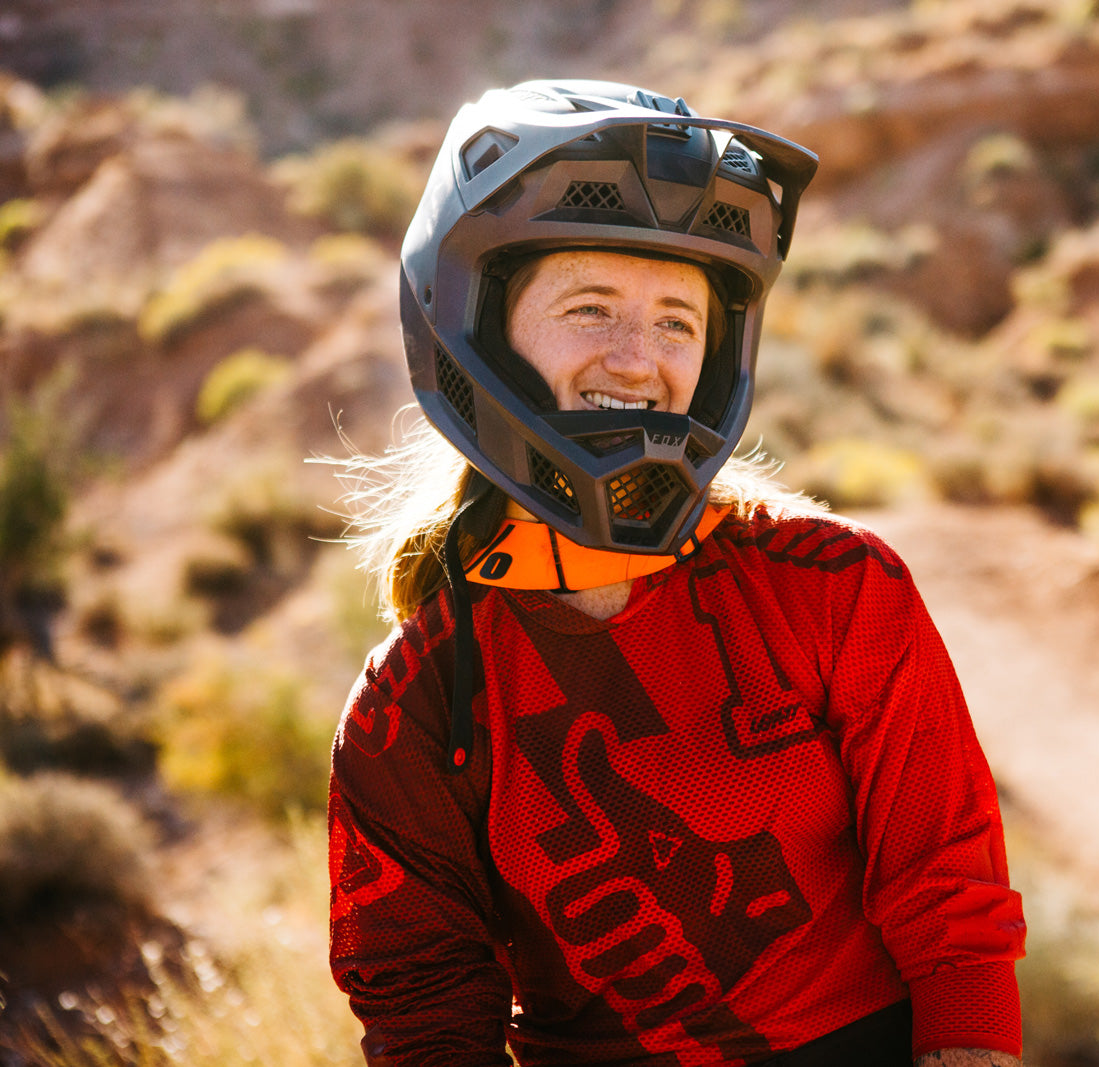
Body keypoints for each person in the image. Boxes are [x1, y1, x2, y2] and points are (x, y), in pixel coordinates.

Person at [327, 79, 1026, 1067]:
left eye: (676, 323)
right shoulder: (414, 701)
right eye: (591, 307)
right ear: (473, 322)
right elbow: (423, 1011)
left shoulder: (835, 586)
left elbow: (951, 908)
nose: (637, 359)